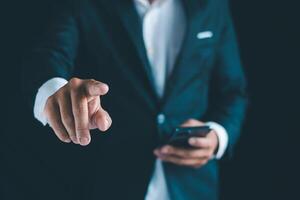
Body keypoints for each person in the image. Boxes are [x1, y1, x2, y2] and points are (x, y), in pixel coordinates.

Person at [22, 0, 248, 199]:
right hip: (110, 182)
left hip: (193, 186)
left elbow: (233, 91)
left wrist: (218, 136)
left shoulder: (213, 5)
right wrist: (54, 92)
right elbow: (50, 55)